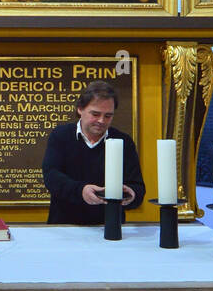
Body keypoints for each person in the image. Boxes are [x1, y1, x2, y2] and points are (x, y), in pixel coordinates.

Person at [41, 80, 145, 226]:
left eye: (108, 116)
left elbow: (138, 187)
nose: (101, 121)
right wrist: (81, 191)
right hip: (65, 226)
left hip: (110, 226)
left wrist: (132, 194)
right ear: (80, 109)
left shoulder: (123, 141)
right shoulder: (60, 136)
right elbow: (51, 177)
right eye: (95, 114)